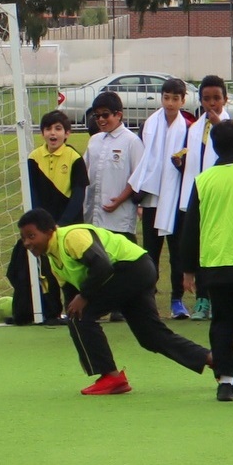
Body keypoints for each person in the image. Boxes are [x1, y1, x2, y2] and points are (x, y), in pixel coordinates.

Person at [18, 208, 211, 395]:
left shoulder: (71, 237)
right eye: (23, 238)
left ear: (50, 231)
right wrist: (74, 307)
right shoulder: (54, 260)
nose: (27, 242)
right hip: (135, 272)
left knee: (81, 316)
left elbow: (102, 266)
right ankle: (216, 360)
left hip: (132, 269)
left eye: (31, 236)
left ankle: (111, 377)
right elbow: (70, 292)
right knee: (151, 337)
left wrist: (84, 298)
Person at [7, 110, 88, 326]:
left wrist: (61, 225)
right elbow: (31, 192)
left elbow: (79, 194)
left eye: (58, 129)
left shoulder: (75, 158)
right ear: (42, 133)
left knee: (69, 269)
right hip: (42, 228)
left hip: (67, 225)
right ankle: (47, 312)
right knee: (45, 270)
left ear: (67, 133)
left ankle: (76, 312)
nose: (53, 133)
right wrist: (39, 226)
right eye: (48, 129)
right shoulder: (34, 158)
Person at [181, 119, 233, 401]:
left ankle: (225, 380)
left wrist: (188, 269)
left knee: (223, 321)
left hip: (216, 264)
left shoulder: (203, 181)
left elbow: (190, 229)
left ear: (213, 147)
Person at [128, 78, 191, 319]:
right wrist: (141, 193)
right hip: (152, 198)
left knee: (177, 252)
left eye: (176, 99)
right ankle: (148, 298)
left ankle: (177, 300)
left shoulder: (188, 128)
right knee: (150, 252)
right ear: (161, 98)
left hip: (175, 199)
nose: (170, 103)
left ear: (183, 100)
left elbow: (190, 162)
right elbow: (145, 161)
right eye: (166, 98)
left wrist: (180, 163)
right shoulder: (150, 124)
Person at [83, 91, 144, 322]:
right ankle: (99, 303)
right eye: (97, 116)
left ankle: (122, 306)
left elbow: (137, 176)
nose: (101, 120)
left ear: (119, 115)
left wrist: (119, 199)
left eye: (105, 115)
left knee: (121, 262)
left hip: (119, 214)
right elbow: (86, 172)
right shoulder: (94, 140)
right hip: (95, 213)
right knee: (99, 260)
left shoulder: (131, 142)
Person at [179, 75, 231, 321]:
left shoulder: (229, 126)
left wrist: (219, 124)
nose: (212, 104)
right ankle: (202, 300)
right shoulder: (195, 127)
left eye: (216, 98)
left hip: (225, 194)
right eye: (207, 99)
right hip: (203, 191)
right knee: (202, 243)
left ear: (225, 99)